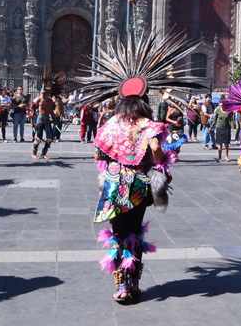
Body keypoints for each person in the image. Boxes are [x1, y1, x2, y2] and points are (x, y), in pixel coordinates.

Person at [75, 29, 204, 304]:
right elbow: (157, 150)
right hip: (138, 185)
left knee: (117, 233)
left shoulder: (109, 125)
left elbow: (98, 152)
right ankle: (131, 285)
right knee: (134, 232)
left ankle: (119, 284)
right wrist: (158, 166)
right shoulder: (150, 126)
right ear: (143, 102)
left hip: (112, 183)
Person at [31, 88, 57, 159]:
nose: (43, 94)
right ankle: (34, 153)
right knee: (38, 138)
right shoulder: (38, 100)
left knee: (49, 138)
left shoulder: (50, 101)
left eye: (45, 93)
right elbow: (32, 109)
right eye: (42, 93)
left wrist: (54, 119)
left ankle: (43, 153)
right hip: (40, 119)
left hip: (47, 120)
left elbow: (51, 111)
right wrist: (32, 120)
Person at [211, 95, 233, 162]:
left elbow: (231, 120)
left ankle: (226, 156)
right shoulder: (217, 109)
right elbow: (214, 119)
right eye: (220, 103)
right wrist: (212, 127)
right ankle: (219, 157)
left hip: (227, 128)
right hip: (219, 128)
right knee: (219, 144)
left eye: (222, 103)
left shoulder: (229, 110)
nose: (221, 105)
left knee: (226, 144)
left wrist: (233, 126)